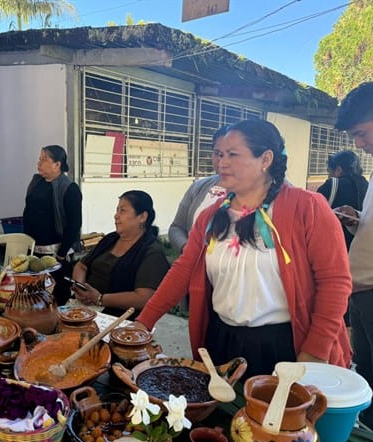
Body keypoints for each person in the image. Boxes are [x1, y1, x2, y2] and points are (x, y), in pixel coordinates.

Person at [135, 119, 352, 378]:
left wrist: (315, 351)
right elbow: (182, 271)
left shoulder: (308, 208)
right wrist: (141, 325)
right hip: (220, 340)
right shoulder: (212, 216)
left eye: (233, 154)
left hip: (283, 345)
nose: (221, 162)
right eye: (218, 154)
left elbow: (335, 282)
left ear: (266, 159)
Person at [333, 82, 373, 438]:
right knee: (369, 385)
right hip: (363, 299)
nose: (358, 144)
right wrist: (359, 220)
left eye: (361, 133)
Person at [71, 190, 170, 319]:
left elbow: (144, 297)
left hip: (118, 321)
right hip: (85, 311)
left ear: (142, 217)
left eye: (122, 211)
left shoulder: (151, 251)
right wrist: (81, 289)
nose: (116, 216)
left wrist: (100, 299)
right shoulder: (111, 239)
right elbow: (81, 265)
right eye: (117, 210)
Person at [23, 145, 82, 305]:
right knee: (36, 293)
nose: (39, 163)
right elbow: (28, 211)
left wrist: (62, 253)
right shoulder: (36, 182)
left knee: (58, 294)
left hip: (58, 253)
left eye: (44, 159)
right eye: (39, 158)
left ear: (58, 164)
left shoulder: (69, 188)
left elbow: (75, 223)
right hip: (35, 249)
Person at [168, 126, 228, 254]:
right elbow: (176, 228)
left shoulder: (251, 194)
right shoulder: (198, 187)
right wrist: (187, 249)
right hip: (195, 268)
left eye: (230, 154)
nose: (221, 160)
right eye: (217, 153)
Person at [316, 150, 368, 249]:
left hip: (334, 249)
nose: (328, 176)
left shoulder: (331, 185)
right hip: (360, 249)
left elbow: (312, 217)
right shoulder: (369, 186)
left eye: (329, 171)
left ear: (339, 170)